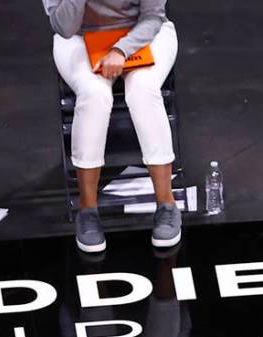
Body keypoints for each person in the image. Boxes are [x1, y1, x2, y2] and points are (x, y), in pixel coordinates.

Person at [43, 0, 181, 253]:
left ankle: (166, 203)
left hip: (143, 30)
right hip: (78, 37)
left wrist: (121, 50)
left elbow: (152, 16)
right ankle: (87, 209)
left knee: (143, 89)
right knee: (94, 94)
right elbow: (64, 26)